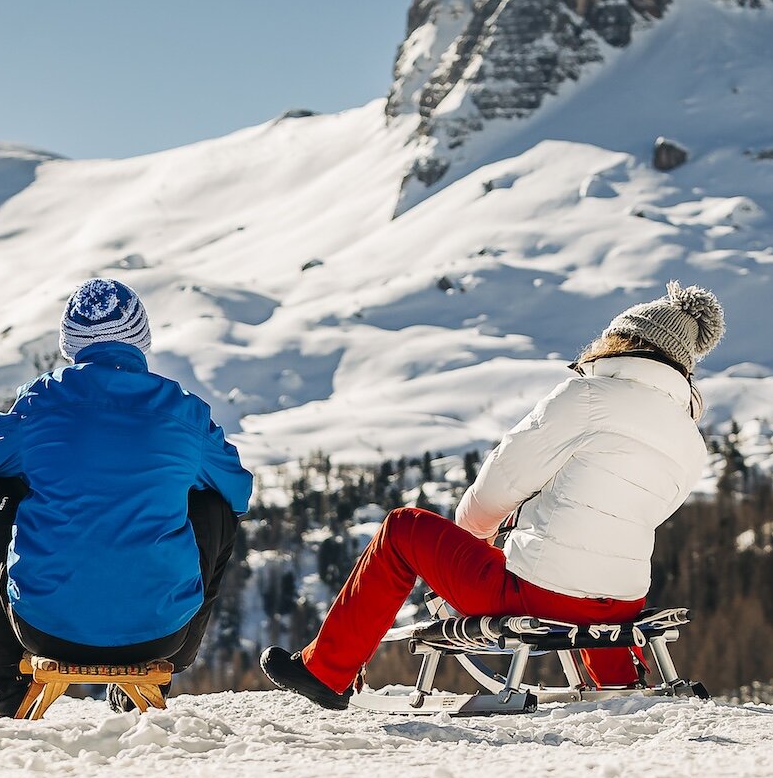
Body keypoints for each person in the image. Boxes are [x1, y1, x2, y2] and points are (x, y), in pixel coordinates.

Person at [262, 282, 724, 709]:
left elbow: (501, 481)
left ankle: (326, 671)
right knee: (587, 572)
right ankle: (618, 682)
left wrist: (473, 542)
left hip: (540, 596)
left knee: (403, 528)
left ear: (622, 342)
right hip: (624, 601)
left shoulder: (587, 396)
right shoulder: (689, 437)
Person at [0, 279, 253, 718]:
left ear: (69, 342)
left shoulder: (42, 402)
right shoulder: (184, 411)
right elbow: (237, 490)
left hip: (44, 628)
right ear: (141, 338)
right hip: (162, 635)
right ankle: (153, 677)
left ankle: (3, 683)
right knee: (214, 503)